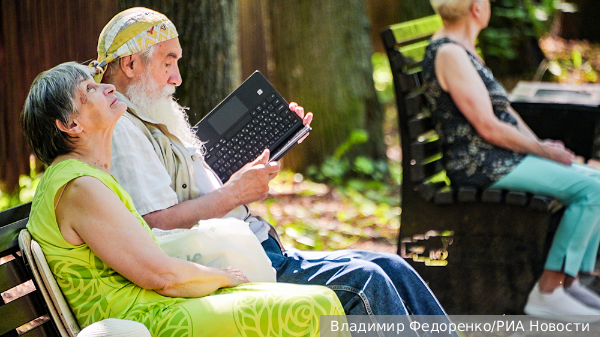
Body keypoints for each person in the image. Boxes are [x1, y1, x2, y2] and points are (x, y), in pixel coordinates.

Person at [93, 7, 450, 320]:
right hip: (239, 265)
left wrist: (265, 151)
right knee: (368, 281)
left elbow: (193, 189)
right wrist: (233, 193)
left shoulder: (148, 115)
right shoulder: (123, 129)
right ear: (130, 63)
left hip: (260, 247)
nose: (177, 77)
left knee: (392, 266)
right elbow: (154, 222)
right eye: (168, 62)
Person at [22, 62, 347, 336]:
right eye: (89, 90)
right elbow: (161, 276)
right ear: (69, 124)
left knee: (316, 303)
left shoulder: (79, 178)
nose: (106, 88)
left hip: (155, 311)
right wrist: (223, 276)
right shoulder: (80, 187)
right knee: (318, 306)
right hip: (148, 320)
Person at [424, 0, 600, 320]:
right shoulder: (450, 53)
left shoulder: (463, 48)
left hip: (497, 158)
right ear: (476, 8)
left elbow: (504, 113)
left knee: (596, 181)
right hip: (481, 164)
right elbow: (488, 127)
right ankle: (548, 292)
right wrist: (544, 152)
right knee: (591, 191)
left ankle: (570, 285)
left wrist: (541, 144)